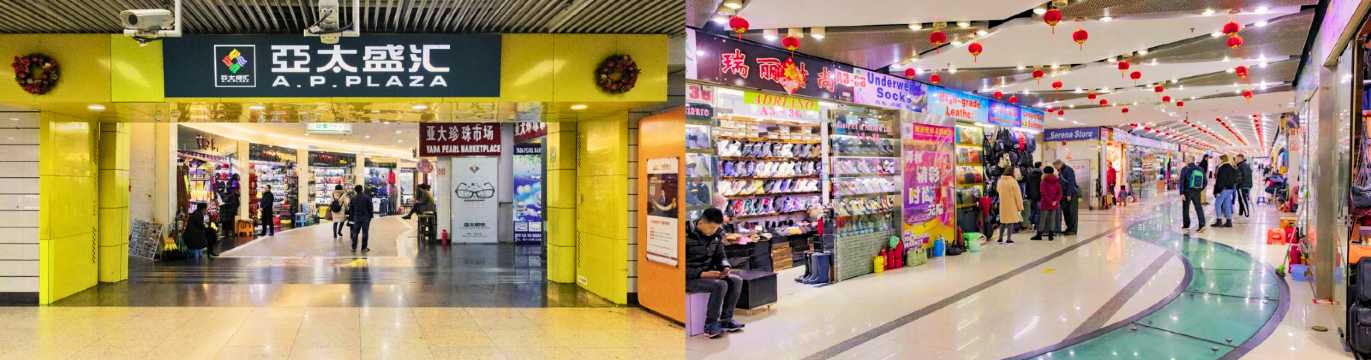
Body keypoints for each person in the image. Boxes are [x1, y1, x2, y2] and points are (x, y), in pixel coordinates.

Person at [685, 208, 744, 338]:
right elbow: (680, 267)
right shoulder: (685, 235)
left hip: (708, 274)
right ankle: (710, 325)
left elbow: (721, 256)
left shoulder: (717, 235)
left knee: (736, 280)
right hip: (688, 278)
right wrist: (702, 274)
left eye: (716, 228)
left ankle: (726, 320)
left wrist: (725, 267)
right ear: (701, 222)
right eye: (711, 227)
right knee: (720, 285)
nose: (713, 231)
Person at [1033, 166, 1063, 241]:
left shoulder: (1043, 181)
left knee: (1043, 219)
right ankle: (1051, 236)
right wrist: (1055, 201)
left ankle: (1039, 235)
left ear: (1045, 172)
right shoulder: (1057, 180)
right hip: (1054, 204)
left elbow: (1043, 193)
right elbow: (1060, 193)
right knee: (1052, 219)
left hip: (1045, 203)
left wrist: (1050, 202)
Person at [1179, 156, 1207, 233]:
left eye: (1186, 159)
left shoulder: (1185, 169)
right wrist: (1199, 189)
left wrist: (1181, 193)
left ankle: (1186, 225)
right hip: (1197, 192)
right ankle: (1202, 225)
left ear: (1189, 160)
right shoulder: (1200, 169)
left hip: (1187, 192)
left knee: (1186, 208)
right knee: (1199, 208)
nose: (1185, 161)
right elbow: (1205, 182)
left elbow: (1181, 182)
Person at [995, 171, 1023, 244]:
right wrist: (1020, 206)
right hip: (1011, 204)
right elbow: (1018, 195)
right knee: (1010, 221)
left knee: (1002, 221)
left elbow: (998, 190)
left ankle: (1000, 238)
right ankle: (1009, 239)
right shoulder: (1013, 181)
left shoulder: (1000, 181)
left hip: (1003, 204)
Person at [1054, 160, 1079, 235]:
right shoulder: (1061, 171)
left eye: (1056, 167)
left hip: (1071, 195)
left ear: (1059, 164)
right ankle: (1068, 228)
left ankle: (1073, 230)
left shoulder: (1068, 170)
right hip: (1063, 195)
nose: (1055, 168)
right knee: (1066, 213)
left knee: (1072, 213)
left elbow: (1071, 183)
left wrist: (1069, 194)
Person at [1213, 155, 1238, 228]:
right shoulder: (1232, 167)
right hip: (1230, 189)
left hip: (1223, 189)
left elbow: (1220, 181)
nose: (1218, 161)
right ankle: (1229, 221)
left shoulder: (1222, 168)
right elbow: (1235, 179)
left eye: (1219, 159)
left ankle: (1219, 220)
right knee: (1227, 205)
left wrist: (1217, 191)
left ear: (1222, 160)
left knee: (1217, 204)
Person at [348, 185, 374, 252]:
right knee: (365, 233)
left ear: (355, 190)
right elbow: (370, 208)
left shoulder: (353, 198)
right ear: (362, 189)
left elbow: (351, 209)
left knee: (355, 233)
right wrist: (371, 216)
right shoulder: (367, 198)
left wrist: (352, 218)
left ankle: (354, 247)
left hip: (356, 218)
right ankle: (364, 248)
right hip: (366, 218)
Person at [218, 184, 239, 255]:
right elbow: (237, 203)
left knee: (226, 223)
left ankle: (227, 234)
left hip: (227, 211)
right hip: (231, 211)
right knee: (230, 223)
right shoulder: (234, 195)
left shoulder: (227, 195)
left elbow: (224, 202)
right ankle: (230, 234)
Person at [1025, 162, 1043, 228]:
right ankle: (1037, 225)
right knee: (1038, 211)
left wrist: (1028, 195)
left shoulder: (1029, 174)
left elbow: (1027, 186)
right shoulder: (1041, 174)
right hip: (1039, 195)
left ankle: (1031, 222)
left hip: (1032, 196)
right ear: (1040, 166)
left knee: (1033, 210)